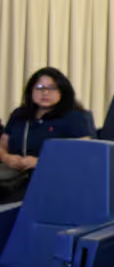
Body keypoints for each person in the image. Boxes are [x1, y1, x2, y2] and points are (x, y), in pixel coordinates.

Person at [0, 67, 93, 202]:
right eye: (39, 87)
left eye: (52, 88)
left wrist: (39, 162)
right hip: (13, 175)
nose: (45, 93)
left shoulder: (75, 117)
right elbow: (2, 145)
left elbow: (82, 156)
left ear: (62, 91)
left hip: (52, 179)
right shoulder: (20, 114)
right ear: (31, 91)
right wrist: (7, 158)